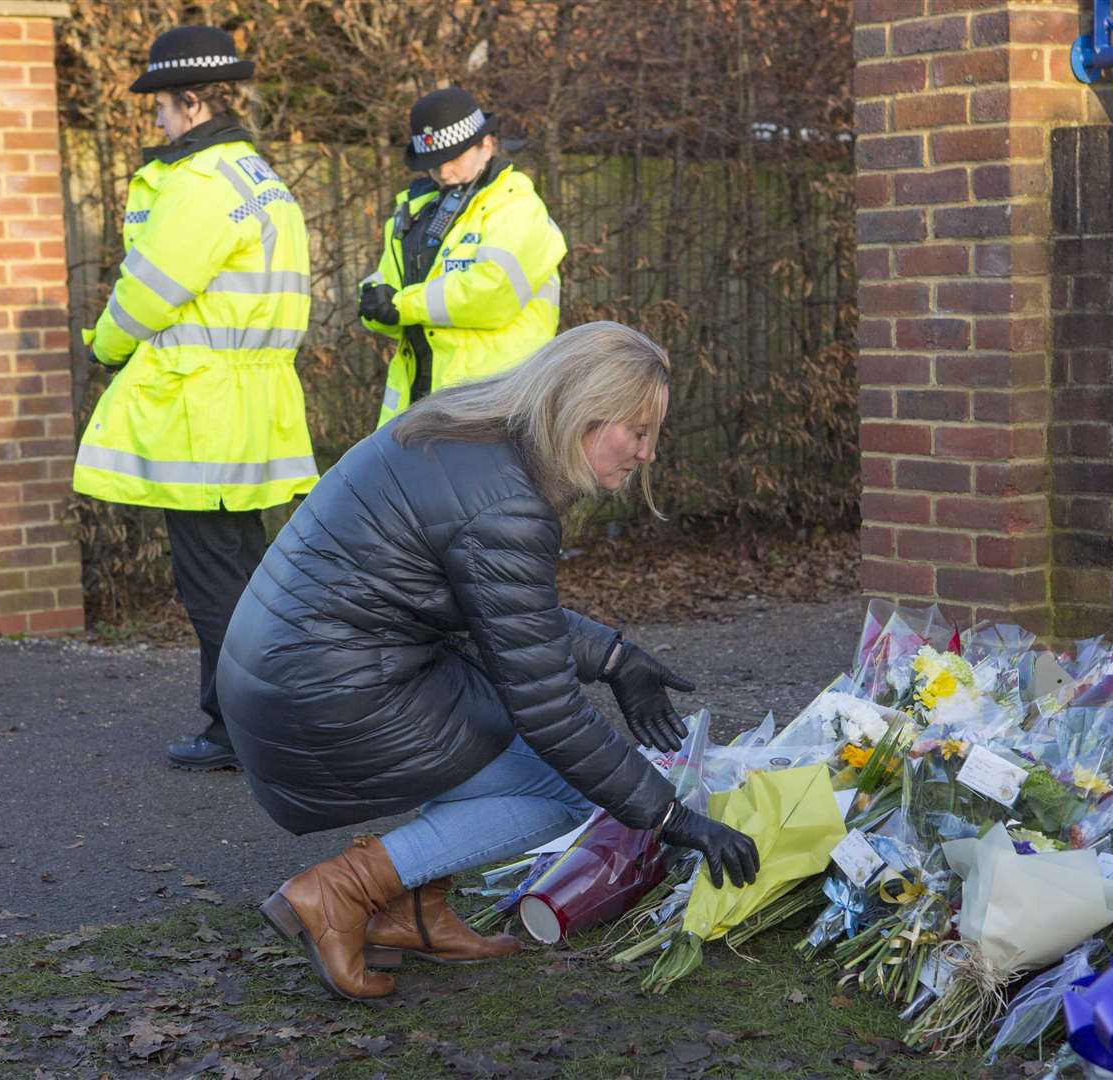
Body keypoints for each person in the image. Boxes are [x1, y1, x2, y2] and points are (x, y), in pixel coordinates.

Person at [216, 322, 759, 1001]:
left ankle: (415, 911)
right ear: (584, 414)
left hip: (296, 674)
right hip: (325, 696)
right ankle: (342, 891)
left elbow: (500, 618)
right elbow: (551, 711)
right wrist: (673, 818)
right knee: (559, 794)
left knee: (516, 737)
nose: (646, 453)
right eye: (638, 431)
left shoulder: (471, 434)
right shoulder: (507, 502)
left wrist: (615, 657)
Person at [74, 26, 317, 771]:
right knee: (247, 575)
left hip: (200, 412)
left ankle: (245, 732)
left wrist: (104, 346)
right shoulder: (257, 176)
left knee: (214, 586)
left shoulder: (201, 185)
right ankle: (250, 721)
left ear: (190, 100)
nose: (156, 121)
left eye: (161, 107)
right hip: (251, 406)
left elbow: (147, 294)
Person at [358, 86, 565, 427]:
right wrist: (375, 306)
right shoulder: (416, 209)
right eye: (433, 164)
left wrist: (400, 306)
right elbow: (386, 284)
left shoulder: (517, 208)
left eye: (452, 158)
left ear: (487, 145)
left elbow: (492, 294)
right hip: (418, 409)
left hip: (494, 407)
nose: (443, 173)